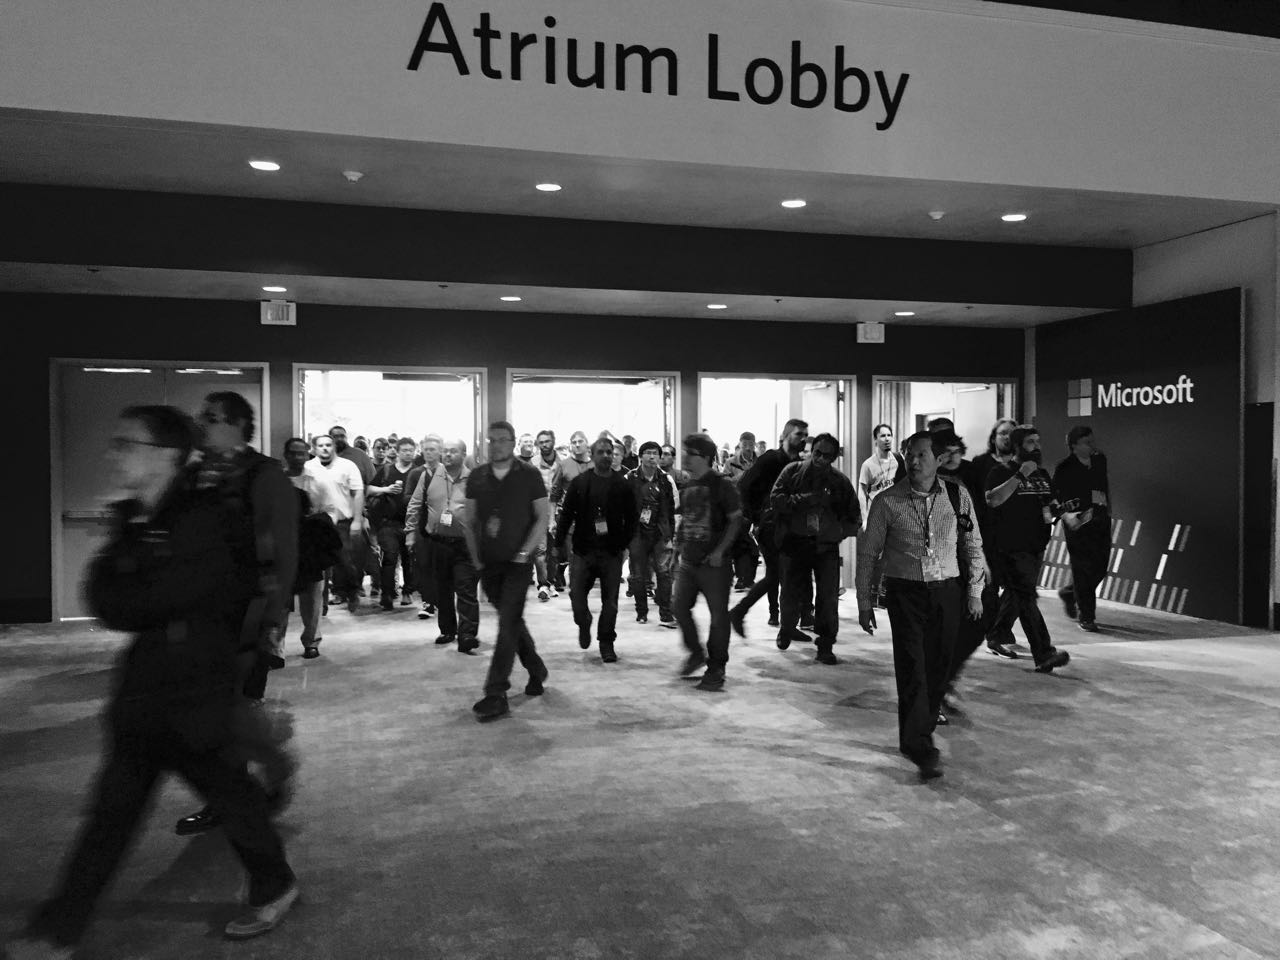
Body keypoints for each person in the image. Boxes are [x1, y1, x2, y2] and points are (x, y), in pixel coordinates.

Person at [11, 407, 297, 958]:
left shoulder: (205, 515)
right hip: (148, 686)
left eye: (128, 443)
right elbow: (105, 598)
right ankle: (61, 925)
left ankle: (275, 882)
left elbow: (155, 597)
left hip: (196, 687)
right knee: (114, 812)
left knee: (230, 795)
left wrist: (138, 574)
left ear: (167, 455)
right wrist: (138, 569)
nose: (115, 453)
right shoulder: (135, 518)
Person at [173, 392, 300, 839]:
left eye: (210, 418)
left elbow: (286, 549)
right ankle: (231, 792)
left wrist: (277, 615)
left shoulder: (266, 476)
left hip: (249, 609)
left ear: (237, 424)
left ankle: (264, 772)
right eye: (201, 415)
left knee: (234, 703)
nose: (201, 424)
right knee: (206, 707)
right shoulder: (192, 475)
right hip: (200, 611)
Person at [856, 431, 985, 781]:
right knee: (913, 667)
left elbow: (973, 544)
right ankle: (918, 743)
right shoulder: (886, 501)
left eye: (922, 455)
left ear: (938, 459)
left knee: (939, 666)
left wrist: (974, 591)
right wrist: (864, 602)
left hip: (947, 590)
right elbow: (867, 554)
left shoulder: (957, 496)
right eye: (909, 455)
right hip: (905, 593)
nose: (914, 462)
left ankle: (921, 730)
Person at [465, 421, 551, 720]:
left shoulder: (529, 475)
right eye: (492, 440)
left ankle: (495, 691)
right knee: (511, 620)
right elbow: (471, 521)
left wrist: (526, 551)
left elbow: (543, 516)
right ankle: (536, 668)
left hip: (518, 563)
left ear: (513, 443)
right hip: (489, 562)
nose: (497, 445)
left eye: (503, 440)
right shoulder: (477, 476)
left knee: (507, 623)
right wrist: (475, 558)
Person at [984, 426, 1071, 672]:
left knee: (1017, 594)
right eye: (1031, 442)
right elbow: (993, 500)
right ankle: (1044, 653)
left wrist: (1063, 512)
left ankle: (997, 633)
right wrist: (1021, 475)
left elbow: (1048, 506)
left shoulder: (1043, 474)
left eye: (1038, 441)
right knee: (1026, 596)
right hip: (1010, 547)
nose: (1037, 446)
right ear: (1018, 446)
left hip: (1036, 546)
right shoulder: (1000, 471)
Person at [768, 432, 861, 664]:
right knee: (789, 591)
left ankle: (826, 644)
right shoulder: (792, 471)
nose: (820, 458)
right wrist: (803, 500)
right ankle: (787, 627)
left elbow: (854, 516)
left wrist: (838, 533)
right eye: (817, 452)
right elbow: (776, 499)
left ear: (834, 457)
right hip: (794, 542)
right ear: (811, 449)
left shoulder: (840, 482)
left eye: (827, 455)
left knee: (828, 597)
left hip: (825, 547)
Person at [671, 433, 743, 691]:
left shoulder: (722, 486)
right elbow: (687, 519)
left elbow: (736, 519)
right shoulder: (688, 486)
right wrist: (678, 547)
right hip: (689, 562)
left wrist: (720, 551)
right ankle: (695, 652)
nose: (686, 458)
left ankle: (716, 667)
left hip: (715, 565)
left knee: (718, 617)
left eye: (690, 453)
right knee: (678, 608)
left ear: (704, 457)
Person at [558, 436, 638, 663]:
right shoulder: (580, 482)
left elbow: (632, 518)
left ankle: (606, 642)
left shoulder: (623, 484)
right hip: (583, 550)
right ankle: (584, 623)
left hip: (611, 552)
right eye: (600, 452)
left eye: (609, 452)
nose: (605, 455)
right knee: (576, 597)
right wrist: (558, 545)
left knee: (610, 602)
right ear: (592, 456)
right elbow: (566, 515)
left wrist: (624, 543)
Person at [730, 419, 809, 635]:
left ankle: (748, 614)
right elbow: (745, 486)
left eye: (804, 435)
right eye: (798, 434)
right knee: (782, 574)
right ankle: (782, 623)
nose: (802, 439)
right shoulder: (771, 459)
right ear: (785, 436)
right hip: (770, 527)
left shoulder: (798, 463)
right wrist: (756, 517)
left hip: (788, 526)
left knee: (779, 575)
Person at [410, 437, 480, 652]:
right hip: (438, 543)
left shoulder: (475, 480)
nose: (448, 455)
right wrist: (410, 534)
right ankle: (447, 630)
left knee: (466, 589)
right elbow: (414, 506)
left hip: (466, 545)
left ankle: (467, 635)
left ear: (463, 454)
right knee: (443, 589)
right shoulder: (429, 476)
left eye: (453, 451)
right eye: (445, 451)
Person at [280, 438, 342, 659]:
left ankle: (311, 641)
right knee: (280, 598)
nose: (297, 457)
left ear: (307, 454)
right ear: (286, 455)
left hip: (310, 545)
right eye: (293, 453)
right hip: (282, 543)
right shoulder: (277, 480)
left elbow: (331, 510)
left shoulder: (318, 479)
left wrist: (318, 526)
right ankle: (274, 647)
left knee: (312, 596)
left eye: (301, 453)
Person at [1052, 425, 1111, 632]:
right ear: (1074, 446)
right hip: (1077, 522)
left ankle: (1070, 593)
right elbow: (1054, 496)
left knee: (1101, 567)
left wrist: (1103, 511)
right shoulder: (1064, 468)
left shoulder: (1099, 460)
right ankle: (1087, 616)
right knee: (1082, 569)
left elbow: (1102, 487)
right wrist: (1066, 516)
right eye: (1087, 442)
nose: (1092, 445)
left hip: (1100, 519)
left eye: (1092, 441)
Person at [304, 434, 365, 612]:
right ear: (314, 448)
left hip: (341, 522)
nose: (325, 448)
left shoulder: (347, 466)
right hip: (315, 522)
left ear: (334, 447)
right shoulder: (308, 467)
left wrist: (357, 519)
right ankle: (321, 604)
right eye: (321, 445)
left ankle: (352, 590)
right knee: (319, 566)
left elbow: (358, 493)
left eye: (328, 445)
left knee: (344, 560)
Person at [625, 441, 676, 627]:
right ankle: (641, 612)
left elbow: (670, 508)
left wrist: (670, 533)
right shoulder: (630, 478)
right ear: (641, 456)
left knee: (664, 573)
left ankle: (666, 612)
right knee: (638, 575)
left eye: (655, 453)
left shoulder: (665, 480)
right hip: (637, 533)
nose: (652, 456)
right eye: (648, 453)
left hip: (660, 532)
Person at [367, 438, 419, 610]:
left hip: (412, 523)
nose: (408, 453)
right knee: (389, 557)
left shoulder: (418, 472)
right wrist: (386, 490)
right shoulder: (387, 470)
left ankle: (407, 591)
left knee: (409, 559)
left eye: (410, 450)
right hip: (389, 522)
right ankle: (387, 593)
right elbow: (369, 489)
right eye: (404, 450)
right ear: (397, 451)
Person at [549, 430, 592, 591]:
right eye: (573, 442)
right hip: (570, 518)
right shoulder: (564, 465)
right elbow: (554, 495)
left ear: (587, 444)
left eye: (580, 441)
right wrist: (552, 520)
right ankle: (575, 586)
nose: (577, 444)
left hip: (594, 518)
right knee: (573, 554)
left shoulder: (595, 465)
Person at [408, 435, 443, 619]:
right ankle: (428, 602)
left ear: (440, 451)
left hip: (444, 527)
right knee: (423, 564)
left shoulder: (446, 472)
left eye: (433, 449)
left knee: (441, 565)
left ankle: (441, 600)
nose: (429, 453)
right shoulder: (416, 474)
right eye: (426, 449)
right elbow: (410, 500)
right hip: (422, 527)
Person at [533, 429, 561, 599]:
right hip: (539, 512)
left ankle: (550, 582)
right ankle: (543, 585)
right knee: (540, 551)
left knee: (554, 552)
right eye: (541, 442)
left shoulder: (562, 463)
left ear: (553, 442)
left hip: (558, 512)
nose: (544, 445)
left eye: (547, 441)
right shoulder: (533, 464)